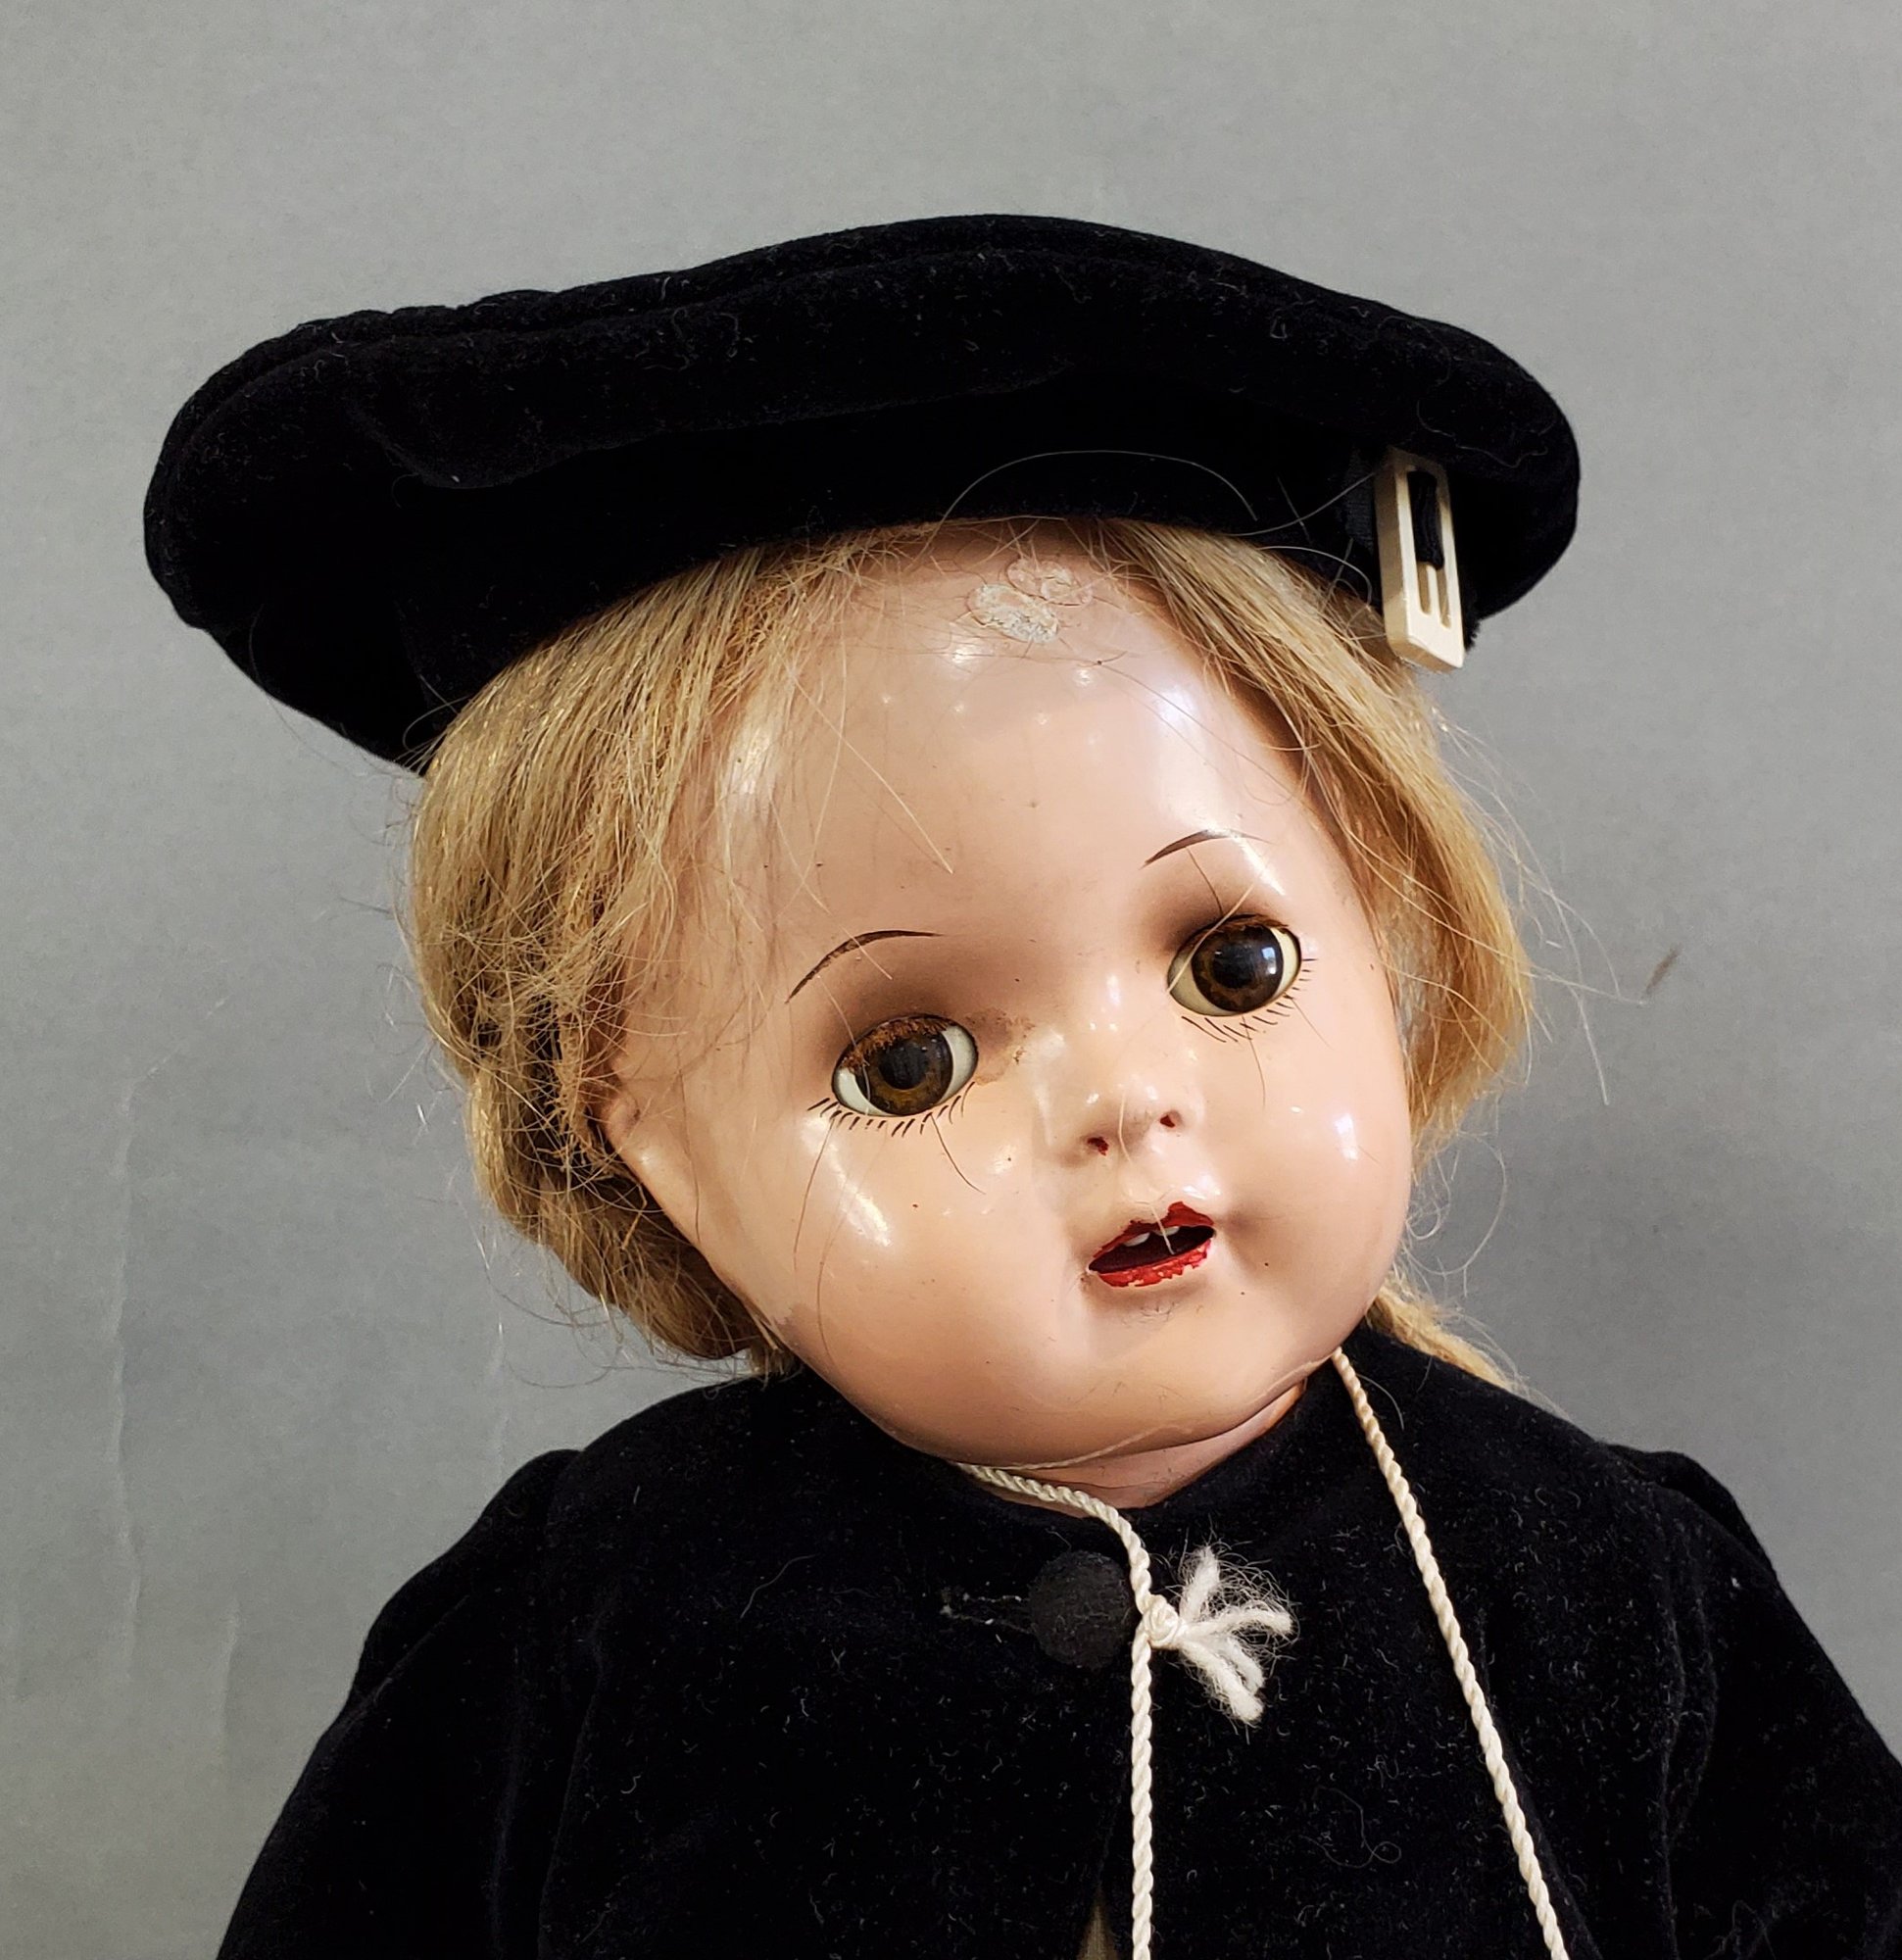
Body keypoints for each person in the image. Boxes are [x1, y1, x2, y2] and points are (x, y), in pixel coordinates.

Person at [144, 216, 1902, 1958]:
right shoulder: (589, 1614)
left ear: (1384, 930)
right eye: (906, 1064)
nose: (1125, 1100)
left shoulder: (1595, 1576)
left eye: (1233, 965)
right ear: (649, 1142)